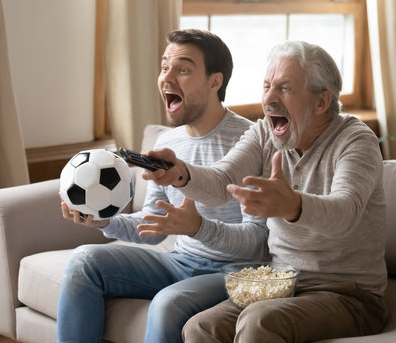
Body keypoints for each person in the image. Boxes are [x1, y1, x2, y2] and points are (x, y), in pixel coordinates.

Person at [146, 41, 388, 342]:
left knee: (258, 321)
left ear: (321, 102)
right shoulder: (265, 133)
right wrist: (180, 173)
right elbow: (222, 181)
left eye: (284, 88)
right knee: (200, 327)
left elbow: (345, 213)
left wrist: (293, 206)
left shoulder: (355, 141)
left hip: (349, 294)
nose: (269, 99)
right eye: (266, 86)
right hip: (280, 282)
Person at [57, 29, 269, 343]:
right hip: (179, 261)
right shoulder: (167, 142)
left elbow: (258, 241)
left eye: (183, 69)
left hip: (237, 272)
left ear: (215, 82)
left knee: (168, 303)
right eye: (164, 66)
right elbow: (154, 227)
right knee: (84, 261)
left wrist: (198, 227)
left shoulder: (252, 142)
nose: (167, 78)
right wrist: (103, 220)